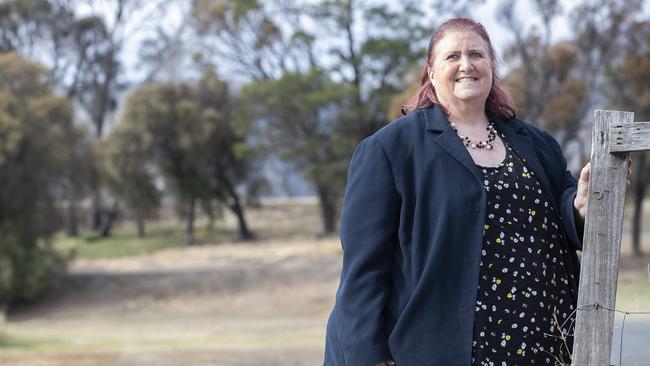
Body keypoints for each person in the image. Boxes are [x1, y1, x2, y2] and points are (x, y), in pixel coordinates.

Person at [323, 18, 595, 366]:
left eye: (476, 54)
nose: (466, 65)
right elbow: (363, 269)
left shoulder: (537, 144)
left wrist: (583, 204)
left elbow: (565, 217)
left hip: (543, 345)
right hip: (441, 350)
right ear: (432, 73)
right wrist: (368, 355)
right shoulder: (390, 150)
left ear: (491, 68)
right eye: (452, 56)